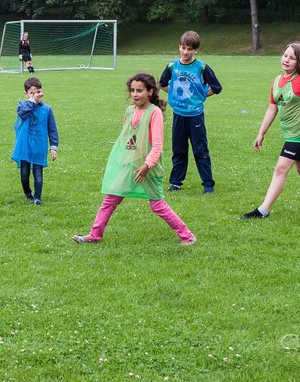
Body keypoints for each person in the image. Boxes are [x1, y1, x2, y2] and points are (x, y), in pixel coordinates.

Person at [73, 73, 195, 245]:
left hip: (148, 168)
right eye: (132, 91)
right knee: (110, 199)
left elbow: (158, 145)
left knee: (157, 204)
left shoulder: (155, 113)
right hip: (129, 165)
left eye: (140, 90)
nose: (135, 94)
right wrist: (123, 159)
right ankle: (94, 235)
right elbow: (127, 137)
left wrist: (147, 165)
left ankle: (187, 236)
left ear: (150, 92)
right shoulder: (130, 111)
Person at [242, 42, 300, 219]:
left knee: (280, 169)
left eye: (292, 58)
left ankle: (263, 210)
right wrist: (261, 133)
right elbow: (272, 108)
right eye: (285, 55)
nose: (287, 60)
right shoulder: (276, 81)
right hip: (290, 133)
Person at [159, 30, 223, 193]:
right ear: (179, 47)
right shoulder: (172, 66)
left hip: (195, 116)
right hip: (179, 115)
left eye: (190, 49)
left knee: (200, 150)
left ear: (196, 50)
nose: (186, 52)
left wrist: (200, 96)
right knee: (178, 149)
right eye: (183, 48)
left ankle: (208, 184)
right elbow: (162, 83)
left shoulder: (202, 67)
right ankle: (176, 182)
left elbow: (217, 88)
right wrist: (174, 95)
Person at [11, 76, 59, 205]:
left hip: (39, 146)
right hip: (25, 145)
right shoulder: (23, 105)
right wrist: (32, 101)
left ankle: (37, 197)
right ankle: (28, 193)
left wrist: (53, 147)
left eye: (37, 92)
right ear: (26, 94)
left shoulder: (47, 109)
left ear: (41, 92)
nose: (35, 95)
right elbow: (23, 114)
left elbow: (52, 129)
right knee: (25, 172)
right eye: (31, 93)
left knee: (38, 173)